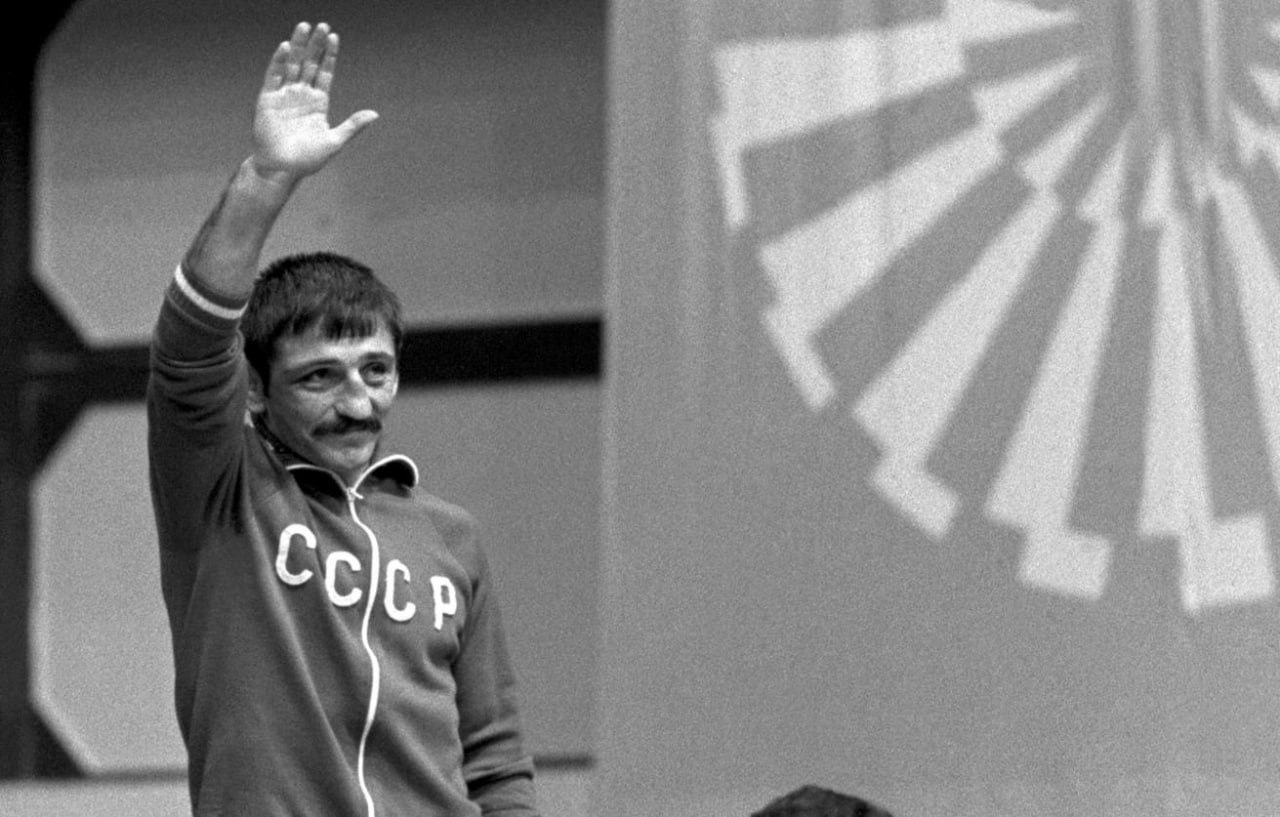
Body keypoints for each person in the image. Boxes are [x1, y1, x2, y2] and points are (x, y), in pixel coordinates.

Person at [147, 21, 540, 817]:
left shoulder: (452, 536)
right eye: (320, 376)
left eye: (376, 371)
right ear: (257, 391)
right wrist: (266, 179)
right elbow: (189, 344)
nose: (358, 402)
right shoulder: (220, 492)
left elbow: (496, 760)